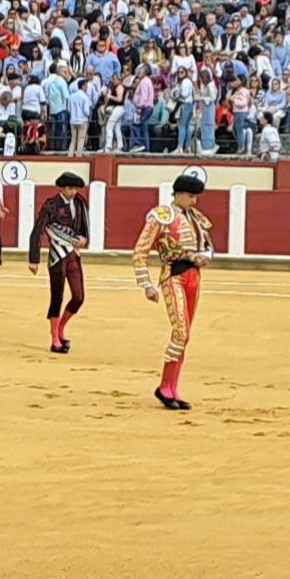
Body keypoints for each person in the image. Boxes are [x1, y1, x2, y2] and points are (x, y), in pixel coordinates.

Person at [132, 172, 213, 411]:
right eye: (190, 196)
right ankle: (165, 388)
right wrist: (146, 283)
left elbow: (207, 246)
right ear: (177, 194)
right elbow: (140, 250)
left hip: (194, 277)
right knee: (180, 331)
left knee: (185, 334)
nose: (194, 201)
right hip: (173, 276)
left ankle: (174, 388)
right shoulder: (161, 216)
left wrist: (205, 257)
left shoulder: (196, 217)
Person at [28, 172, 89, 354]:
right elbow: (37, 231)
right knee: (57, 296)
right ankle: (55, 337)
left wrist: (85, 239)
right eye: (70, 188)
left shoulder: (79, 203)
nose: (73, 192)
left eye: (75, 188)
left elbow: (84, 226)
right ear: (62, 188)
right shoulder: (51, 205)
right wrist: (34, 259)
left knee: (79, 297)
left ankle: (60, 328)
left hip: (73, 255)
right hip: (57, 256)